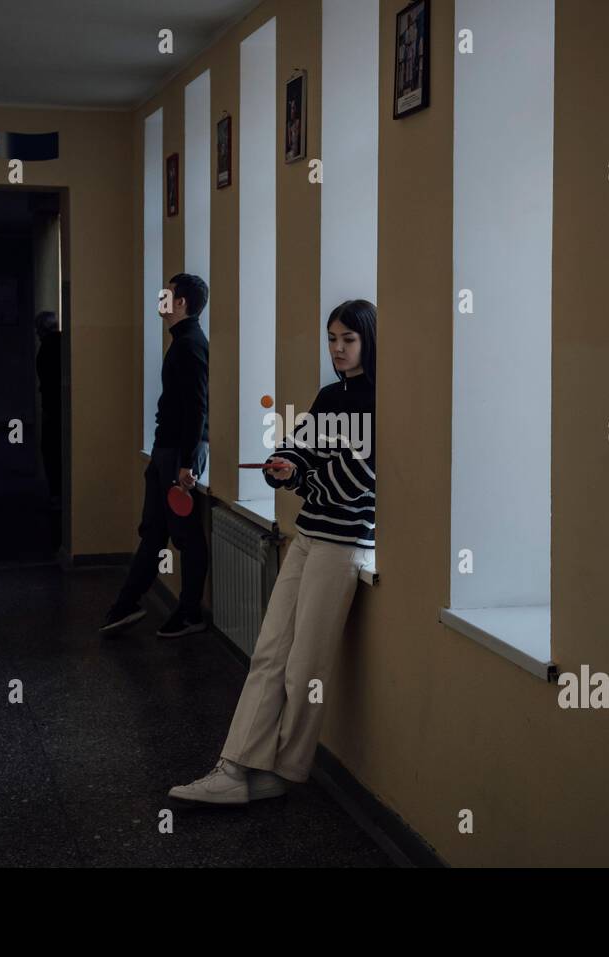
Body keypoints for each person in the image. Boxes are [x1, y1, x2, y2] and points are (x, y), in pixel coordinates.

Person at [168, 299, 376, 805]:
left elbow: (360, 482)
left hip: (344, 545)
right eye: (332, 339)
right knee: (270, 653)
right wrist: (282, 466)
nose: (337, 350)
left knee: (305, 666)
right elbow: (296, 451)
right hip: (308, 537)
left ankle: (285, 772)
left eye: (347, 340)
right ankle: (237, 767)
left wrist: (303, 477)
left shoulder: (379, 401)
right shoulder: (329, 396)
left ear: (368, 341)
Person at [100, 274, 210, 638]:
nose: (160, 299)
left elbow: (197, 409)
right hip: (166, 451)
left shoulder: (190, 345)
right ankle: (126, 604)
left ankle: (190, 612)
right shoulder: (181, 342)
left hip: (177, 454)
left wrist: (187, 463)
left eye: (167, 294)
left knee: (186, 537)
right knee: (154, 531)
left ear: (181, 303)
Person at [35, 311, 63, 509]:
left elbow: (46, 382)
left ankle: (56, 494)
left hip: (52, 409)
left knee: (51, 452)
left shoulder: (45, 349)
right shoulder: (64, 343)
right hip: (62, 408)